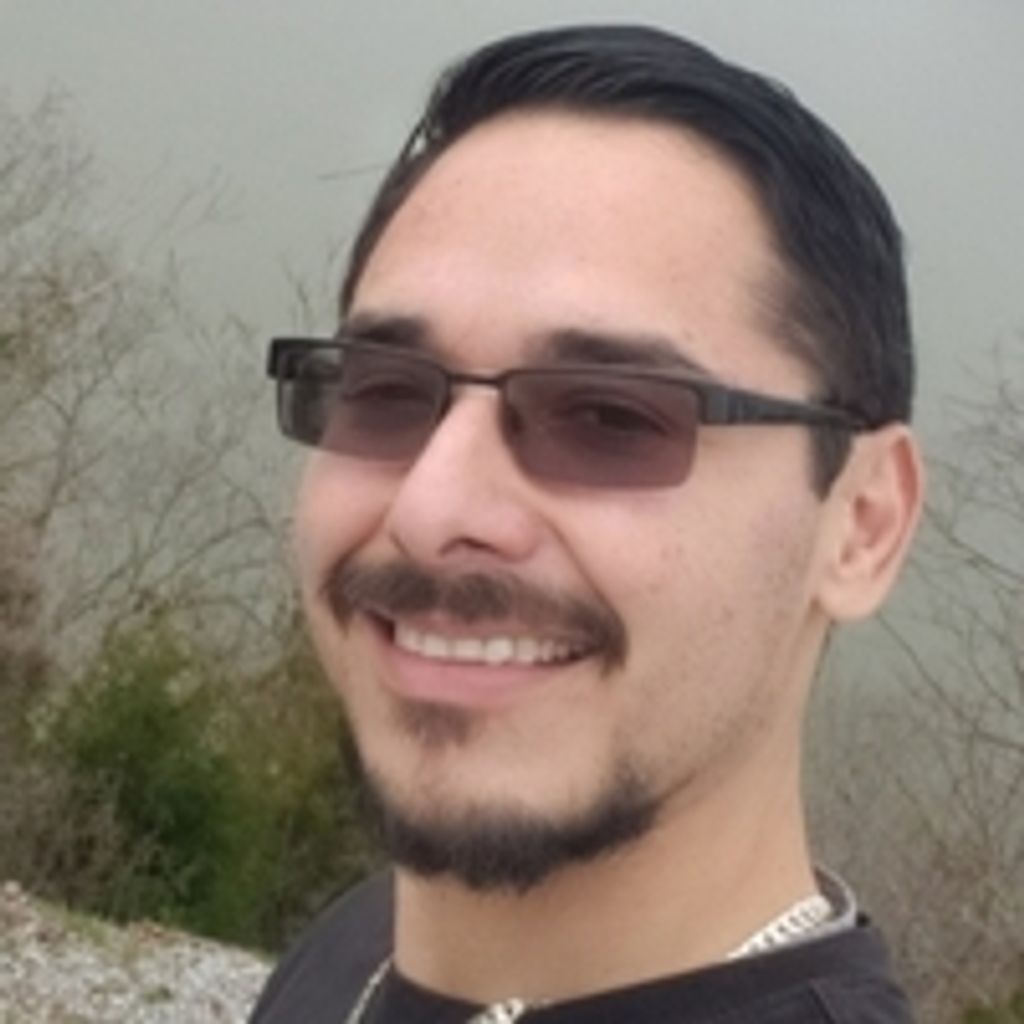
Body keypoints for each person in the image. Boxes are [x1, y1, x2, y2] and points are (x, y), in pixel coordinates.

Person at [251, 23, 924, 1024]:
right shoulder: (356, 950)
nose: (432, 508)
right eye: (385, 392)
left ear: (862, 525)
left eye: (610, 417)